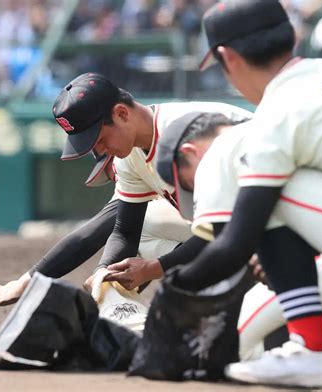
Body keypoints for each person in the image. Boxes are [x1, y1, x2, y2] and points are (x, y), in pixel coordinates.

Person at [158, 0, 322, 386]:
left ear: (228, 56)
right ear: (292, 35)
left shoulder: (279, 108)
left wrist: (175, 288)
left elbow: (236, 243)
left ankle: (313, 349)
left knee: (267, 185)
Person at [154, 111, 322, 373]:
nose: (193, 187)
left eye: (187, 180)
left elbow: (229, 248)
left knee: (237, 347)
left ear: (191, 152)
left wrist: (174, 293)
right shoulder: (286, 123)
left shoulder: (225, 151)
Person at [51, 72, 251, 292]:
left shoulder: (196, 132)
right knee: (146, 225)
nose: (100, 151)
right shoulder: (130, 154)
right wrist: (103, 272)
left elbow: (223, 229)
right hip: (241, 234)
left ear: (121, 113)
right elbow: (125, 231)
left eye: (99, 140)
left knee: (235, 321)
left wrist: (155, 268)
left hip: (273, 236)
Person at [0, 152, 190, 313]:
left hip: (217, 232)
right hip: (214, 238)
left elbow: (90, 236)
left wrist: (25, 282)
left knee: (141, 223)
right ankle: (205, 292)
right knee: (142, 237)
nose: (113, 180)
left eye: (107, 172)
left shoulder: (134, 159)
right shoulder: (139, 162)